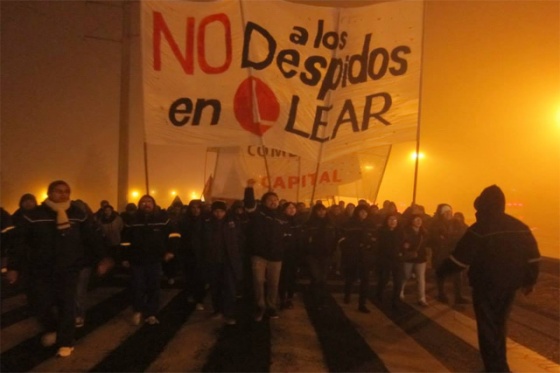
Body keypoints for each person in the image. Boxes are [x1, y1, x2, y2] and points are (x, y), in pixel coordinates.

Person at [437, 185, 540, 372]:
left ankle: (495, 368)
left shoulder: (480, 229)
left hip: (485, 285)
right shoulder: (520, 227)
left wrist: (442, 271)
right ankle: (500, 364)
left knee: (487, 328)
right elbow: (533, 256)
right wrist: (529, 281)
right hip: (510, 286)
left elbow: (461, 258)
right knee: (500, 326)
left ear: (482, 206)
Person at [6, 180, 112, 358]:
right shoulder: (35, 215)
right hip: (40, 269)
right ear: (49, 193)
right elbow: (19, 243)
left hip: (68, 268)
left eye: (66, 192)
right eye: (58, 191)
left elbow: (91, 237)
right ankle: (53, 328)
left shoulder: (77, 214)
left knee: (66, 305)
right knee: (40, 304)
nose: (63, 195)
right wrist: (13, 267)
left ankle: (65, 341)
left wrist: (103, 258)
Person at [120, 194, 180, 326]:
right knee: (137, 286)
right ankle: (138, 309)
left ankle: (152, 313)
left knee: (154, 287)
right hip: (137, 259)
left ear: (154, 204)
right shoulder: (132, 220)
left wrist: (171, 251)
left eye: (149, 202)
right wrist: (124, 257)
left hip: (155, 259)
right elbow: (125, 240)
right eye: (143, 202)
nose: (146, 204)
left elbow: (174, 235)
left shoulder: (163, 219)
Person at [244, 179, 287, 321]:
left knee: (274, 284)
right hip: (259, 255)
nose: (273, 202)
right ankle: (259, 306)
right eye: (270, 200)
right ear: (264, 202)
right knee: (258, 281)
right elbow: (249, 205)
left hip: (276, 256)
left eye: (276, 199)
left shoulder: (282, 216)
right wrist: (249, 188)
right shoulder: (258, 213)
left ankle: (271, 307)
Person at [339, 204, 377, 313]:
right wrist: (349, 248)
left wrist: (370, 247)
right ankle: (347, 294)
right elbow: (342, 239)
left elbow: (376, 240)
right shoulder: (349, 223)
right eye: (361, 212)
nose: (363, 214)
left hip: (366, 257)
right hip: (352, 256)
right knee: (350, 278)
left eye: (365, 212)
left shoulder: (371, 224)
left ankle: (362, 303)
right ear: (357, 212)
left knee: (365, 280)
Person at [302, 203, 337, 309]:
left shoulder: (330, 223)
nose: (322, 212)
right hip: (313, 254)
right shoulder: (310, 224)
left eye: (323, 210)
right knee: (316, 276)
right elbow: (304, 239)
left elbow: (335, 238)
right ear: (315, 212)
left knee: (322, 278)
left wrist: (332, 250)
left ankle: (320, 297)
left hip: (326, 254)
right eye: (319, 210)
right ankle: (316, 298)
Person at [375, 213, 404, 310]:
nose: (392, 222)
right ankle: (379, 295)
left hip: (397, 259)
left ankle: (395, 300)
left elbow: (404, 244)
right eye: (390, 219)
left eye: (394, 220)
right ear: (387, 221)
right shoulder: (382, 232)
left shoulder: (400, 232)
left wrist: (402, 252)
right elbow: (378, 246)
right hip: (385, 259)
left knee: (398, 281)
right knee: (384, 279)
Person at [400, 214, 429, 307]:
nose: (418, 221)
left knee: (421, 278)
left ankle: (421, 298)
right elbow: (402, 242)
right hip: (409, 257)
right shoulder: (405, 231)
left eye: (420, 220)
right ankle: (400, 291)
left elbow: (427, 244)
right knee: (406, 275)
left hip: (421, 258)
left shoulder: (424, 232)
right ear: (411, 221)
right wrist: (405, 247)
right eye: (416, 219)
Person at [278, 201, 303, 309]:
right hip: (284, 254)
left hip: (295, 254)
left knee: (293, 277)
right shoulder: (280, 221)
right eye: (289, 208)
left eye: (293, 207)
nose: (292, 209)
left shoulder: (298, 222)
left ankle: (289, 297)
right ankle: (282, 297)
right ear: (284, 210)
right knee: (283, 277)